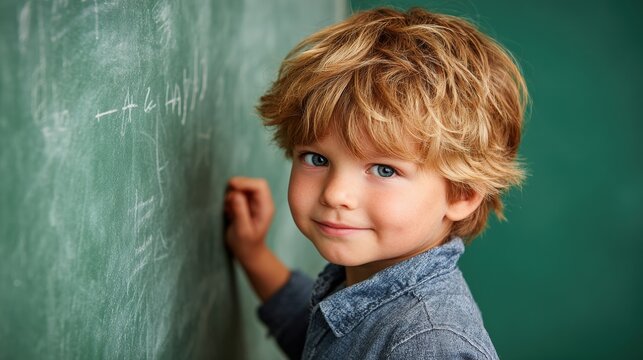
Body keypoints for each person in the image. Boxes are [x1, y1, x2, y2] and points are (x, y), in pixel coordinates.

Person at [224, 7, 527, 359]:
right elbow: (322, 341)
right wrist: (254, 255)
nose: (336, 194)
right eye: (316, 159)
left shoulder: (427, 345)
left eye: (384, 170)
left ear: (462, 192)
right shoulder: (370, 280)